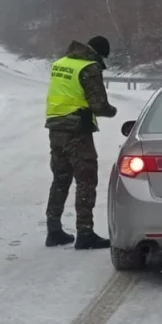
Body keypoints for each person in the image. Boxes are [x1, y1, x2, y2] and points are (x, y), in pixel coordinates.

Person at [44, 35, 117, 249]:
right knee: (86, 180)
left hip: (55, 127)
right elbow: (99, 105)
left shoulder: (60, 63)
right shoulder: (89, 67)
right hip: (77, 130)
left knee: (61, 178)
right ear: (99, 53)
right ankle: (85, 233)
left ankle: (54, 230)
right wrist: (112, 111)